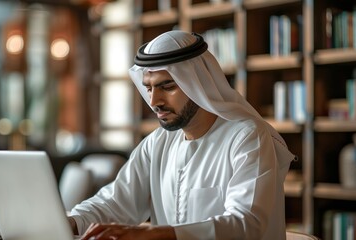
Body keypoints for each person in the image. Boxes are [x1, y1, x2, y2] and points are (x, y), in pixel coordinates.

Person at [68, 30, 295, 240]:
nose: (154, 102)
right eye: (149, 88)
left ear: (198, 83)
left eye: (167, 87)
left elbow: (246, 223)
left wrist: (152, 235)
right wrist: (71, 222)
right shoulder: (157, 143)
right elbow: (115, 202)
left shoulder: (247, 137)